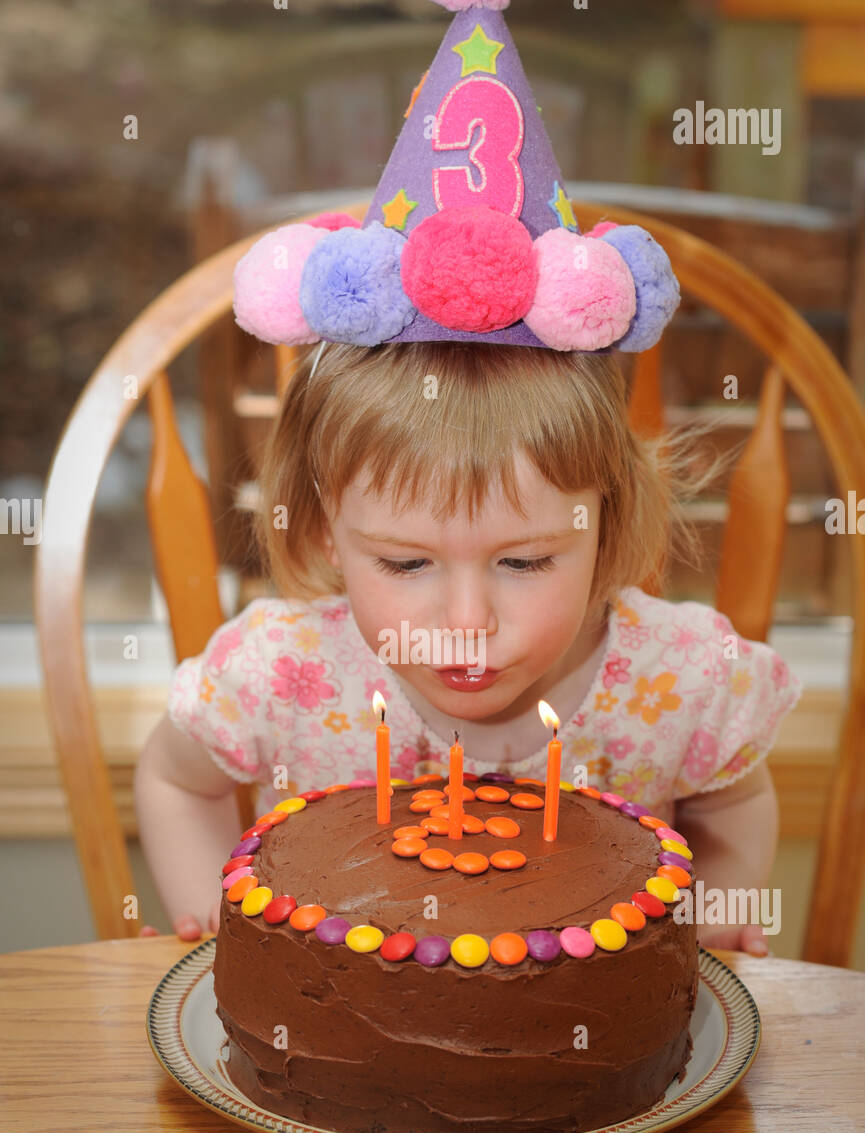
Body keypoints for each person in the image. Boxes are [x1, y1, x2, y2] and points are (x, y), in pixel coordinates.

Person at [135, 338, 801, 952]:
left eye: (525, 562)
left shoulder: (680, 677)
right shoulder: (281, 670)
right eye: (404, 563)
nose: (465, 621)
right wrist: (219, 927)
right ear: (322, 533)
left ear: (607, 524)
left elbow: (730, 804)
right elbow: (178, 781)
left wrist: (708, 924)